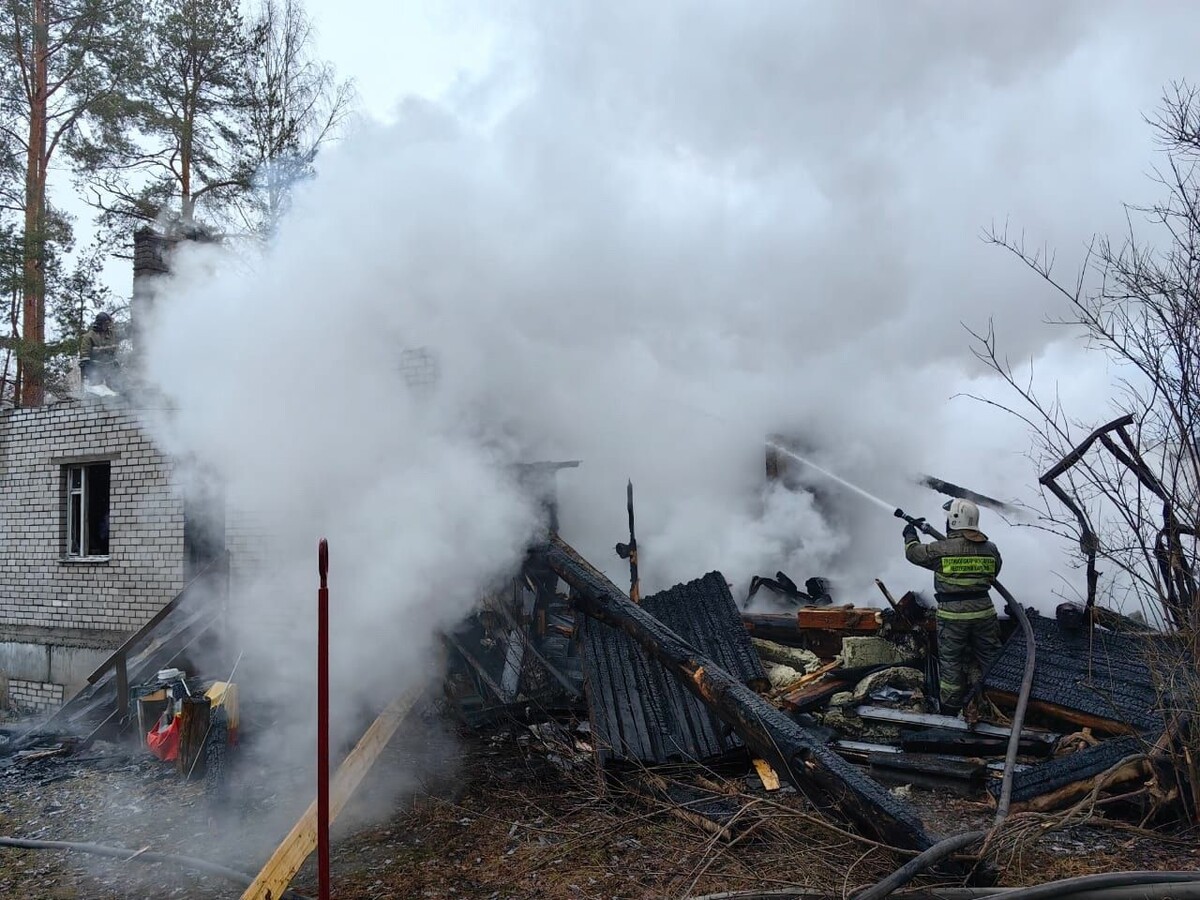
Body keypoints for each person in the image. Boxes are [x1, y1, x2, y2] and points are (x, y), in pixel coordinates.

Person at [902, 498, 1003, 718]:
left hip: (952, 615)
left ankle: (950, 709)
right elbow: (995, 571)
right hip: (985, 612)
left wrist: (910, 534)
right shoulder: (990, 549)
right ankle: (1000, 702)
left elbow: (913, 554)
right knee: (991, 658)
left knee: (951, 663)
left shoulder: (941, 549)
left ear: (955, 521)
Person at [80, 312, 120, 388]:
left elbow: (122, 334)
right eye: (106, 323)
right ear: (100, 323)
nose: (108, 325)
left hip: (111, 367)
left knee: (117, 388)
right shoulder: (89, 337)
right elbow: (84, 357)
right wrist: (90, 372)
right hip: (96, 368)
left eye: (108, 323)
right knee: (98, 390)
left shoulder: (111, 333)